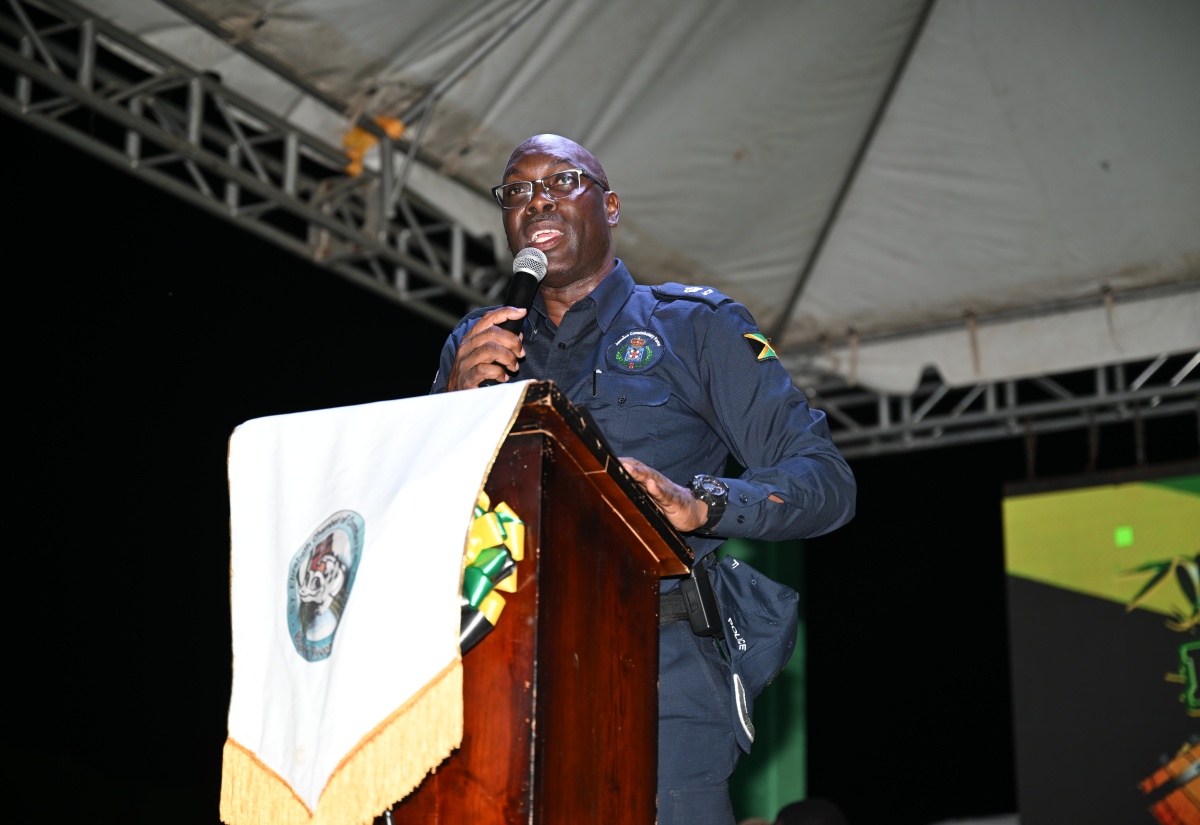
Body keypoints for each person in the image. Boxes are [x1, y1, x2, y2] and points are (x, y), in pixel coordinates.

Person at [431, 134, 856, 825]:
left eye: (562, 181)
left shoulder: (695, 328)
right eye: (518, 190)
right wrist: (449, 410)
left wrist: (700, 504)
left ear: (611, 206)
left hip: (657, 669)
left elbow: (825, 480)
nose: (536, 200)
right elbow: (422, 516)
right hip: (502, 667)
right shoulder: (477, 346)